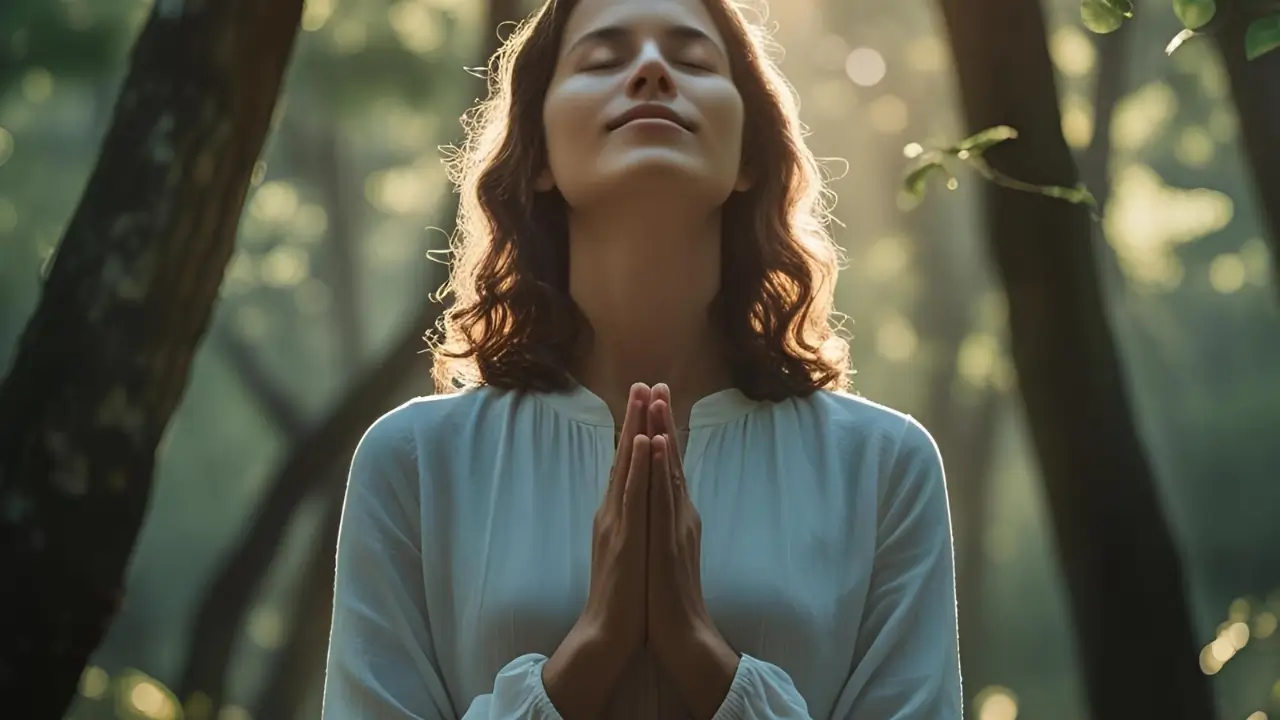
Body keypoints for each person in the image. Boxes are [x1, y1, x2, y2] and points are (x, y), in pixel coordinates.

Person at [320, 0, 962, 717]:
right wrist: (593, 646)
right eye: (603, 59)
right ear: (537, 157)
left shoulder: (883, 468)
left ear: (750, 156)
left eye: (692, 60)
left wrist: (701, 653)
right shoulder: (414, 463)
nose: (653, 71)